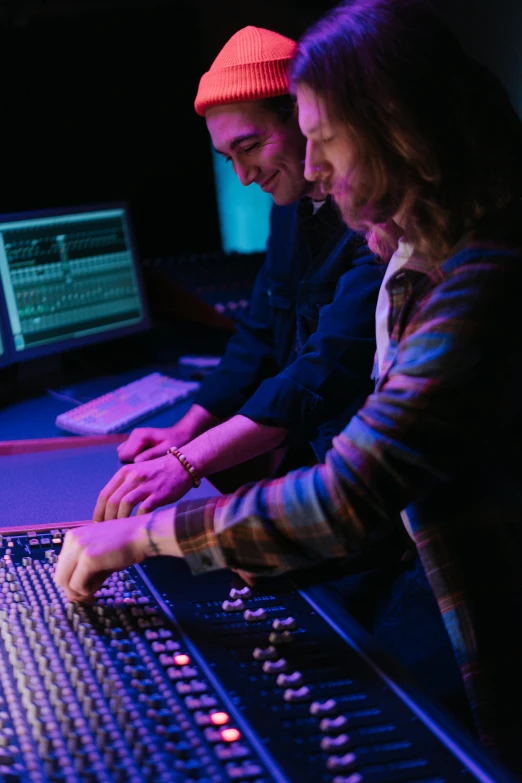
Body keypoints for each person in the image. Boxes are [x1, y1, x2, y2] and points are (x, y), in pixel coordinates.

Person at [56, 0, 522, 773]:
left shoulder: (483, 282)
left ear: (395, 129)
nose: (310, 172)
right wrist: (255, 539)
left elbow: (348, 494)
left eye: (321, 141)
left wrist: (143, 536)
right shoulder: (426, 257)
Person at [92, 26, 384, 523]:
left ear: (306, 118)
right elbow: (260, 332)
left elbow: (322, 369)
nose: (245, 176)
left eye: (250, 147)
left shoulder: (377, 223)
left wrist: (187, 463)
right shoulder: (289, 207)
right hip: (313, 462)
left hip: (366, 485)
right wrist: (186, 430)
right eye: (230, 159)